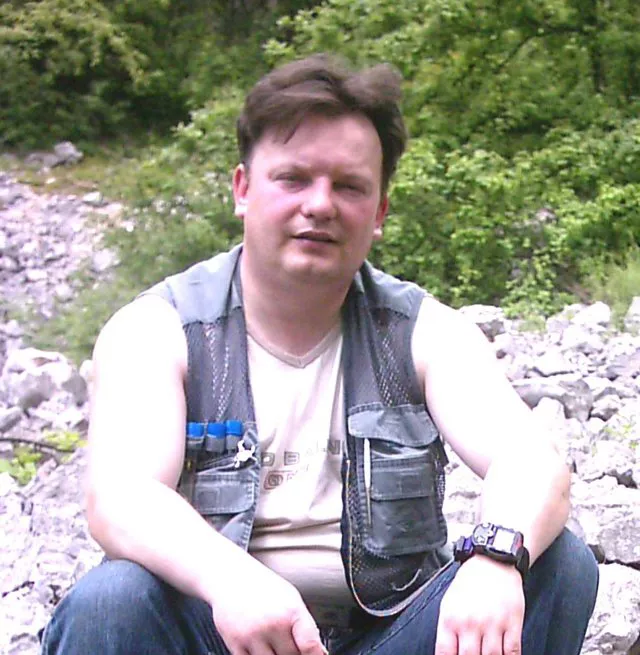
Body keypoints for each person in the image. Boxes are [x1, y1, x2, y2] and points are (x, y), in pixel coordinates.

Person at [40, 54, 598, 655]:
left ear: (378, 213)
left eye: (349, 186)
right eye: (294, 179)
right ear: (243, 189)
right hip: (218, 634)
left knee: (557, 563)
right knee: (110, 601)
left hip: (386, 637)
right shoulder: (158, 329)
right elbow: (121, 497)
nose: (320, 204)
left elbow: (532, 462)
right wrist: (229, 578)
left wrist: (495, 554)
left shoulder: (425, 332)